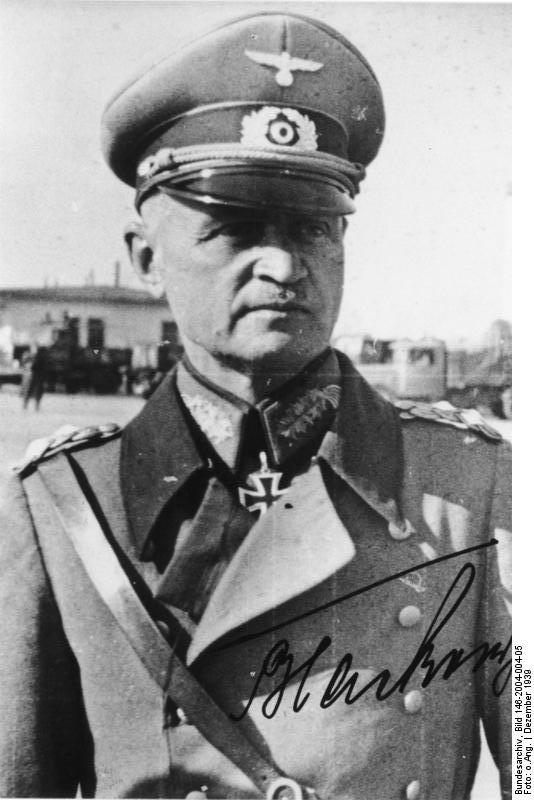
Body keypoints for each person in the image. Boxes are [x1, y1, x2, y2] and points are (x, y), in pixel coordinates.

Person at [0, 12, 511, 800]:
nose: (283, 264)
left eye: (314, 228)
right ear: (146, 259)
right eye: (234, 228)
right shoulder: (65, 506)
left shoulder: (468, 486)